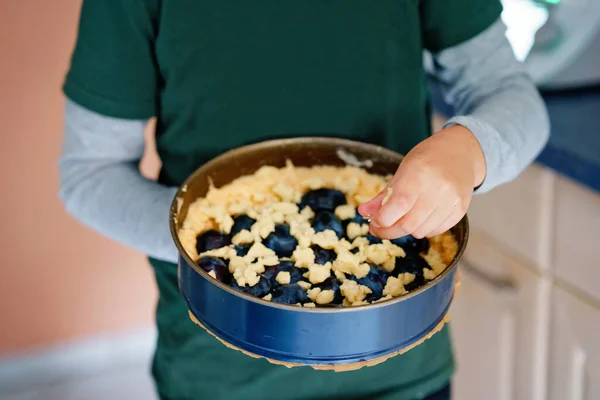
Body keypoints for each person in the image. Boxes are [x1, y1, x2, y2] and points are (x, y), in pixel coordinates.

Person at [58, 1, 549, 399]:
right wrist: (216, 253)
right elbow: (89, 173)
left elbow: (514, 98)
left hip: (403, 368)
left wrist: (467, 152)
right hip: (219, 376)